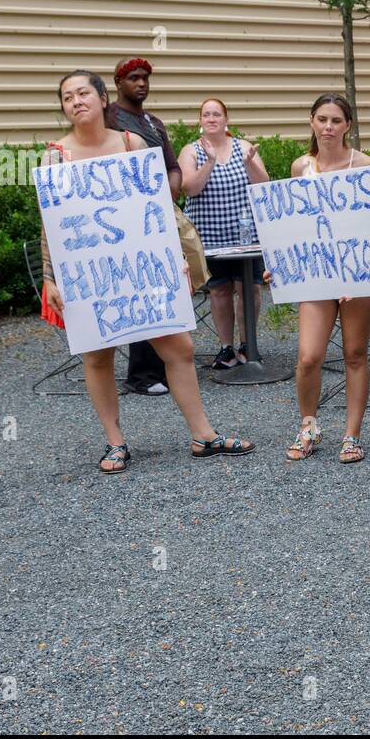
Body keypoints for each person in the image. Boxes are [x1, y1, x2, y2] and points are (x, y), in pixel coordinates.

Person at [40, 70, 254, 473]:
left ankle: (203, 435)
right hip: (89, 273)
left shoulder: (131, 143)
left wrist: (176, 259)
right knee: (97, 356)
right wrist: (51, 278)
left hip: (142, 267)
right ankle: (115, 442)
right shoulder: (56, 155)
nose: (76, 101)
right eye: (67, 97)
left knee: (181, 349)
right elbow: (49, 223)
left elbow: (158, 209)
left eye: (83, 92)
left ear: (103, 99)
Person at [264, 93, 370, 463]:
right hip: (315, 272)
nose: (328, 127)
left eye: (336, 120)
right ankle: (308, 424)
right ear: (312, 122)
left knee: (354, 353)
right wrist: (281, 261)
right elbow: (294, 223)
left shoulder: (363, 164)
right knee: (309, 356)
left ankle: (352, 434)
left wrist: (354, 274)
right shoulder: (302, 167)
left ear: (348, 125)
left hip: (357, 272)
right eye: (322, 119)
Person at [106, 57, 182, 397]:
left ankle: (162, 367)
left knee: (159, 290)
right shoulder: (108, 118)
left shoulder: (153, 122)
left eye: (146, 78)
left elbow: (172, 165)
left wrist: (171, 189)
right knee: (135, 290)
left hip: (156, 218)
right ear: (118, 82)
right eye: (134, 78)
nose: (141, 83)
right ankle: (140, 374)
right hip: (122, 220)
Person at [178, 97, 269, 370]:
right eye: (206, 114)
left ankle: (247, 344)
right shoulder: (191, 150)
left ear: (226, 119)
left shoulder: (244, 147)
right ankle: (225, 347)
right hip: (209, 236)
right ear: (200, 121)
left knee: (250, 289)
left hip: (245, 235)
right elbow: (189, 189)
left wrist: (250, 163)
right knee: (220, 292)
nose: (212, 118)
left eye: (217, 114)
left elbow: (263, 185)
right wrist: (210, 162)